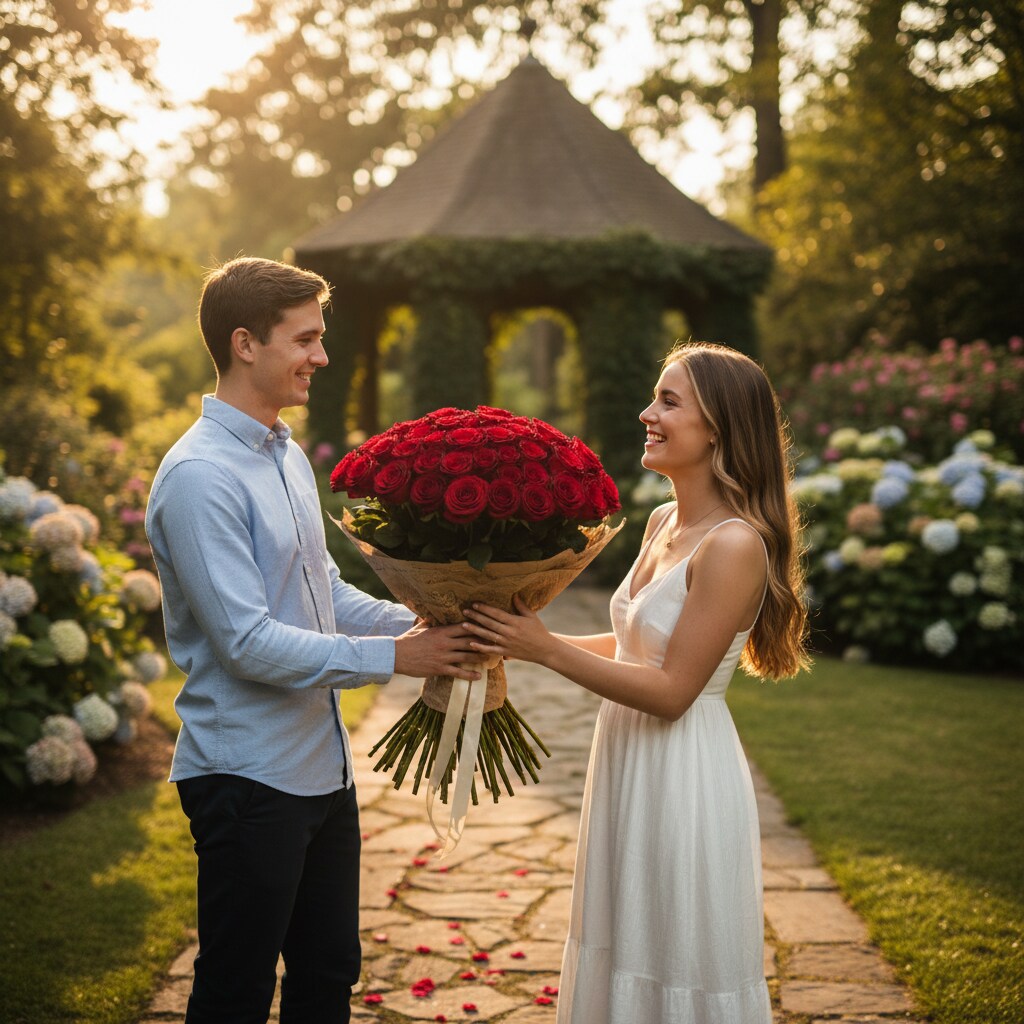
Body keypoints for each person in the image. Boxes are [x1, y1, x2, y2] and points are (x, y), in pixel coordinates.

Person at [145, 256, 483, 1024]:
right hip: (246, 779)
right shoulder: (200, 477)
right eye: (306, 339)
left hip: (322, 774)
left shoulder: (287, 454)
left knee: (327, 977)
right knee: (234, 990)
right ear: (245, 344)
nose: (322, 357)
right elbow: (247, 644)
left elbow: (322, 595)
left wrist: (429, 624)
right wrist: (398, 658)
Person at [464, 340, 810, 1024]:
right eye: (656, 397)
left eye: (669, 401)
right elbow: (635, 643)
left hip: (682, 772)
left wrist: (545, 651)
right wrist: (524, 640)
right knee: (620, 941)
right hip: (625, 760)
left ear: (719, 427)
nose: (646, 412)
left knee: (673, 955)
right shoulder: (662, 522)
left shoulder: (735, 544)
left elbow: (674, 690)